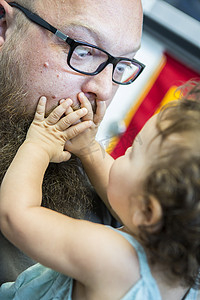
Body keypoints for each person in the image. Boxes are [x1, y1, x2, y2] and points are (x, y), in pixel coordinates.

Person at [0, 81, 200, 300]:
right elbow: (123, 200)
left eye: (133, 153)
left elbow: (15, 215)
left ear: (148, 212)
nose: (126, 151)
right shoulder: (185, 273)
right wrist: (88, 149)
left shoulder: (110, 257)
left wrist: (39, 144)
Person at [0, 0, 144, 285]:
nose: (103, 90)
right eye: (84, 50)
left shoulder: (112, 196)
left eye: (121, 65)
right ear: (4, 25)